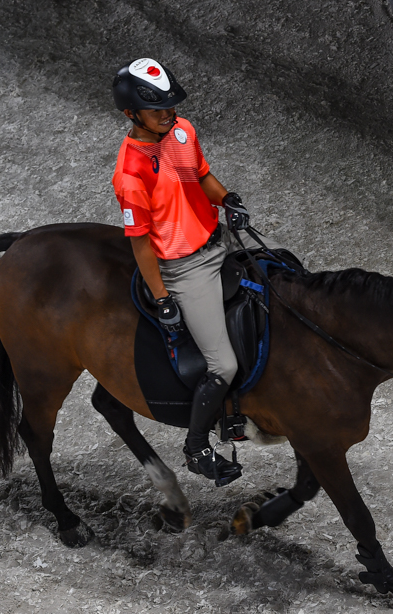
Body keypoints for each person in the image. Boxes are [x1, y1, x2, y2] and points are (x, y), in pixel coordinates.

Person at [111, 58, 254, 485]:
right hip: (185, 269)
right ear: (131, 114)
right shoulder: (130, 173)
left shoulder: (182, 130)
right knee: (222, 365)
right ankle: (197, 447)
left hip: (218, 240)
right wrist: (162, 298)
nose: (169, 116)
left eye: (172, 107)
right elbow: (140, 243)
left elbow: (202, 177)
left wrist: (228, 199)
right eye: (159, 111)